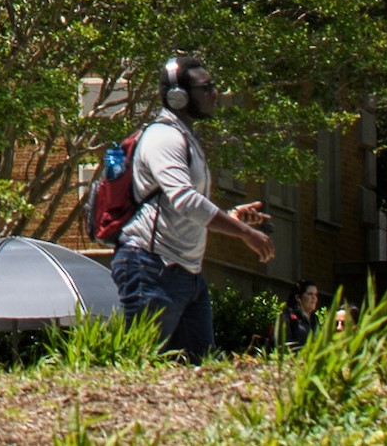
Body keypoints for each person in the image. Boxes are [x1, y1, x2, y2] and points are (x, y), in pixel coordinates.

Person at [110, 54, 273, 360]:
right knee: (137, 367)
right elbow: (185, 201)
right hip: (151, 267)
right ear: (178, 97)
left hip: (186, 272)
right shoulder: (164, 137)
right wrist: (245, 233)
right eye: (206, 88)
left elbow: (182, 205)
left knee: (200, 371)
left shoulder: (187, 137)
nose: (215, 94)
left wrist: (231, 216)